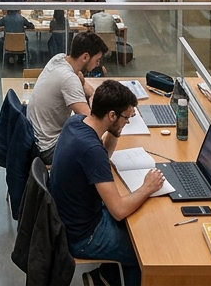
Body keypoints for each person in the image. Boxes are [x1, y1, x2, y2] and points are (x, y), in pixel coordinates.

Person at [48, 80, 160, 286]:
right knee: (144, 252)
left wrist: (115, 131)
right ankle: (113, 278)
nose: (127, 122)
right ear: (111, 115)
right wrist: (148, 187)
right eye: (126, 118)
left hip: (70, 219)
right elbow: (118, 210)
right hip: (83, 237)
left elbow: (102, 157)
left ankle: (105, 277)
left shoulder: (77, 123)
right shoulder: (91, 150)